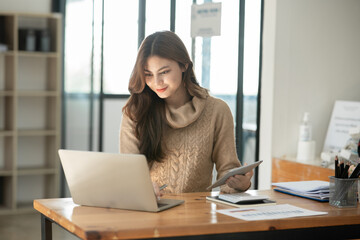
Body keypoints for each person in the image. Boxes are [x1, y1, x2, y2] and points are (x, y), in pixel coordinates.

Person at [120, 31, 253, 197]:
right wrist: (141, 189)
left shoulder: (217, 111)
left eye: (164, 72)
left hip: (197, 215)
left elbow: (228, 174)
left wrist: (240, 184)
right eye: (148, 74)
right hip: (151, 212)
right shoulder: (135, 112)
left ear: (184, 65)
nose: (156, 82)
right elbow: (130, 175)